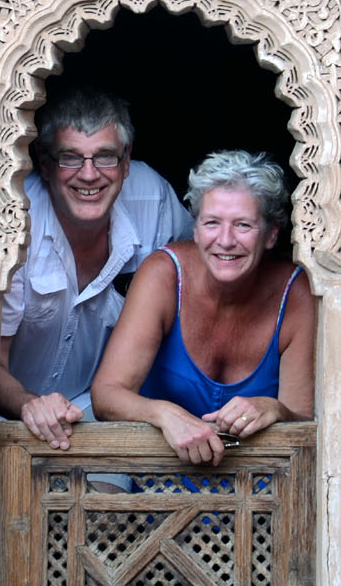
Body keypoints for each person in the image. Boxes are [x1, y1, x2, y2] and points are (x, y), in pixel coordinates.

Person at [0, 87, 192, 449]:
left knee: (110, 498)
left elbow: (212, 264)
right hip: (4, 415)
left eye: (104, 157)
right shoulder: (15, 218)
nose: (89, 175)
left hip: (100, 413)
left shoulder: (152, 200)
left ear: (126, 159)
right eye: (70, 157)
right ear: (43, 162)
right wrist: (28, 404)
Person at [92, 151, 315, 465]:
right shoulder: (164, 275)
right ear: (195, 230)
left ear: (271, 234)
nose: (225, 240)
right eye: (212, 223)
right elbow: (106, 394)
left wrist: (275, 409)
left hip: (258, 487)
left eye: (243, 225)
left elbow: (305, 423)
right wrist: (165, 415)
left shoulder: (296, 293)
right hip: (157, 476)